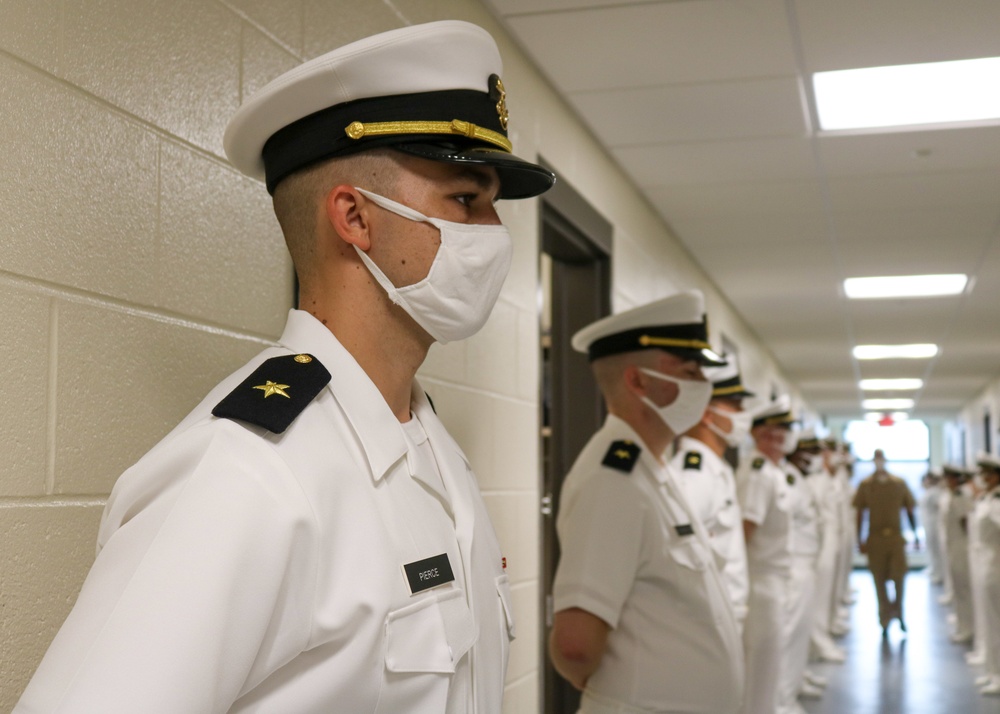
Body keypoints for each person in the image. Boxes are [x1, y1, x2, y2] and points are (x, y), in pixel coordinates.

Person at [13, 20, 555, 714]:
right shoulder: (248, 473)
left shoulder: (430, 445)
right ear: (355, 218)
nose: (493, 236)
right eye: (464, 201)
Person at [549, 291, 744, 714]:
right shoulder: (613, 480)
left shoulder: (655, 471)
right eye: (690, 371)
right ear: (637, 381)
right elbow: (575, 646)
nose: (704, 386)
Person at [670, 358, 753, 629]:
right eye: (735, 405)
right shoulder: (694, 474)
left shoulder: (716, 468)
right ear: (706, 414)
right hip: (708, 619)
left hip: (726, 613)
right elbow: (682, 559)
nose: (743, 414)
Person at [737, 396, 798, 714]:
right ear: (758, 434)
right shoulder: (759, 473)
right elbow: (745, 529)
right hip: (761, 581)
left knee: (772, 660)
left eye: (786, 430)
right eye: (774, 430)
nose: (782, 437)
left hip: (777, 579)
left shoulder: (774, 471)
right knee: (760, 664)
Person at [853, 449, 920, 637]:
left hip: (895, 538)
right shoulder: (866, 485)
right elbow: (859, 513)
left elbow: (909, 509)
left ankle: (899, 613)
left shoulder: (899, 484)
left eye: (881, 458)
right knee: (879, 580)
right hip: (875, 538)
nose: (879, 462)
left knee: (899, 578)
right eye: (876, 459)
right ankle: (884, 617)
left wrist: (915, 536)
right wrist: (859, 539)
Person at [969, 454, 1000, 696]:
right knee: (989, 622)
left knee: (996, 623)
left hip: (995, 565)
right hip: (985, 563)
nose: (983, 478)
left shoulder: (997, 501)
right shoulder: (988, 497)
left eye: (987, 474)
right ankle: (992, 671)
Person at [942, 464, 975, 644]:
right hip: (953, 546)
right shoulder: (951, 495)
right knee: (958, 587)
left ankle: (967, 628)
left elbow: (965, 523)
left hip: (961, 547)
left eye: (949, 477)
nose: (946, 481)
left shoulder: (960, 496)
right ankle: (963, 625)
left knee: (963, 588)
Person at [918, 470, 945, 585]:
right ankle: (934, 570)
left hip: (935, 524)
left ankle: (939, 573)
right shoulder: (930, 491)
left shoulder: (936, 492)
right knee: (932, 548)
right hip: (929, 524)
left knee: (937, 549)